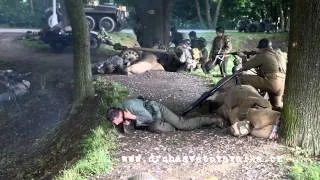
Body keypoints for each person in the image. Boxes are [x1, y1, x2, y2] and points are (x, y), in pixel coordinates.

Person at [106, 97, 224, 133]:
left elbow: (149, 118)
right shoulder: (122, 109)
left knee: (183, 125)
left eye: (116, 121)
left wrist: (133, 118)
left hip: (157, 110)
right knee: (154, 127)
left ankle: (214, 120)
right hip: (152, 114)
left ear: (119, 115)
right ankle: (171, 126)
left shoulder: (130, 107)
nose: (116, 124)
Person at [237, 38, 287, 110]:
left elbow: (245, 67)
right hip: (282, 85)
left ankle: (250, 102)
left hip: (271, 83)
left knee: (242, 78)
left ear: (262, 48)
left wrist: (243, 57)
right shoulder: (279, 54)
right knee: (276, 106)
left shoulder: (263, 55)